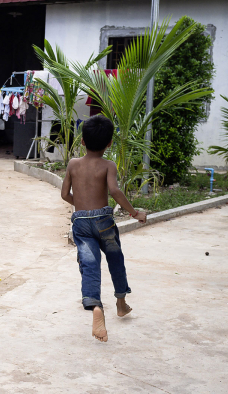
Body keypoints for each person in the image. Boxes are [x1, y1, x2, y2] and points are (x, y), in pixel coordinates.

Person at [61, 115, 147, 342]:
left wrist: (80, 206)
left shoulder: (72, 164)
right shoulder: (108, 165)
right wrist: (135, 213)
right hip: (104, 221)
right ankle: (120, 302)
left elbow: (64, 195)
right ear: (109, 143)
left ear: (82, 141)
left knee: (89, 265)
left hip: (80, 222)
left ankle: (95, 307)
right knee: (115, 259)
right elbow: (115, 192)